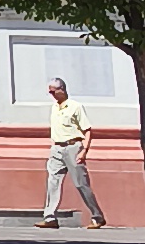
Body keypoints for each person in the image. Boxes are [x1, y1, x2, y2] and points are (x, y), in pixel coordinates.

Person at [39, 76, 107, 232]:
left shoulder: (75, 107)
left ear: (62, 89)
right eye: (49, 92)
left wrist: (84, 150)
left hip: (73, 147)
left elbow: (87, 130)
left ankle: (97, 216)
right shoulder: (54, 107)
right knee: (52, 182)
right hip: (56, 148)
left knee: (81, 184)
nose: (52, 95)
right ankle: (50, 217)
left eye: (53, 91)